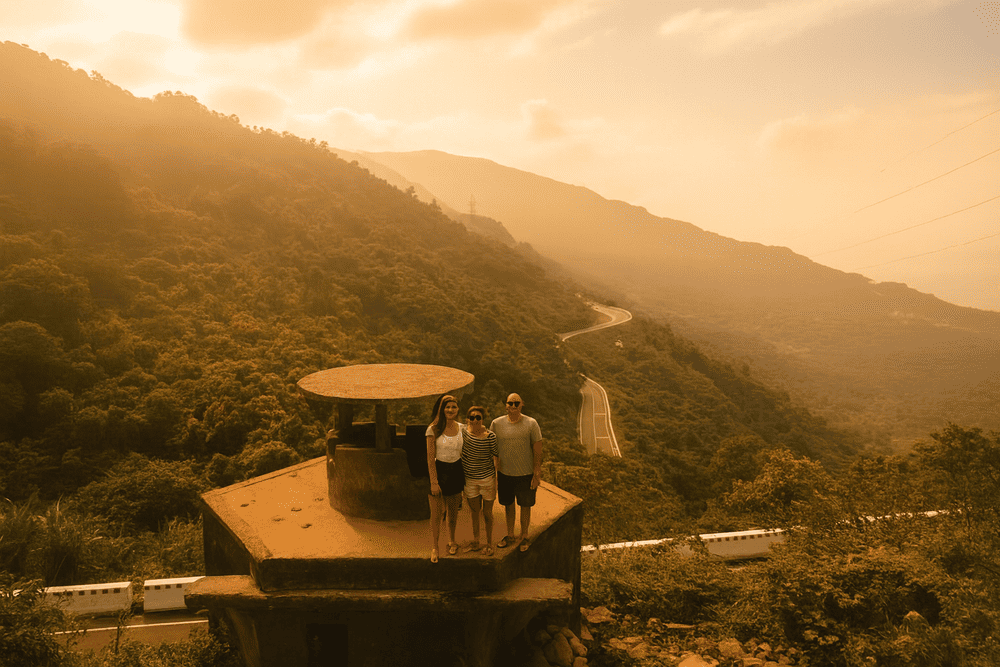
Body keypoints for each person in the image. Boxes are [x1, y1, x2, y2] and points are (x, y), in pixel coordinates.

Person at [491, 393, 544, 552]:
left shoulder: (531, 423)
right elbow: (492, 447)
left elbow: (537, 448)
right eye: (510, 403)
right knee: (508, 505)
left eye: (516, 403)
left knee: (525, 505)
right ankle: (510, 534)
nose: (513, 406)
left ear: (522, 405)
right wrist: (494, 469)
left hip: (525, 473)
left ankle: (524, 535)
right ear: (505, 405)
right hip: (504, 473)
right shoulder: (496, 424)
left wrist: (537, 472)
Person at [426, 394, 464, 563]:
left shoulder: (462, 428)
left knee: (453, 512)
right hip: (439, 470)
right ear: (442, 409)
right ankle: (435, 547)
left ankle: (452, 540)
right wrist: (434, 482)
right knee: (436, 514)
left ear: (457, 409)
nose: (450, 410)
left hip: (456, 470)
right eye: (447, 407)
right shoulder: (433, 429)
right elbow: (430, 457)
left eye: (453, 407)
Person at [461, 405, 500, 556]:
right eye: (472, 417)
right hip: (470, 480)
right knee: (474, 512)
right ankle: (476, 540)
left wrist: (496, 481)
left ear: (483, 419)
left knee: (487, 513)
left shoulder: (490, 436)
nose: (475, 420)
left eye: (478, 417)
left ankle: (489, 543)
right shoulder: (464, 433)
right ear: (467, 419)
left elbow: (496, 458)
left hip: (487, 479)